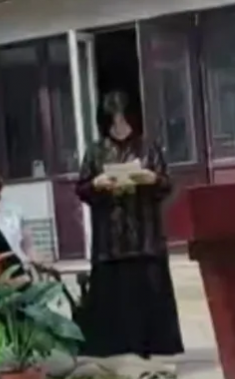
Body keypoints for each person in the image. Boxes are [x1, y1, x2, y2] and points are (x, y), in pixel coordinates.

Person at [76, 91, 184, 361]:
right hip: (110, 240)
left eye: (123, 120)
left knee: (146, 295)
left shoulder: (148, 148)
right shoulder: (96, 150)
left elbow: (167, 184)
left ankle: (149, 348)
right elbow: (82, 189)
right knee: (113, 297)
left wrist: (151, 179)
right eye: (114, 121)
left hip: (144, 236)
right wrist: (97, 184)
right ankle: (114, 350)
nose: (120, 126)